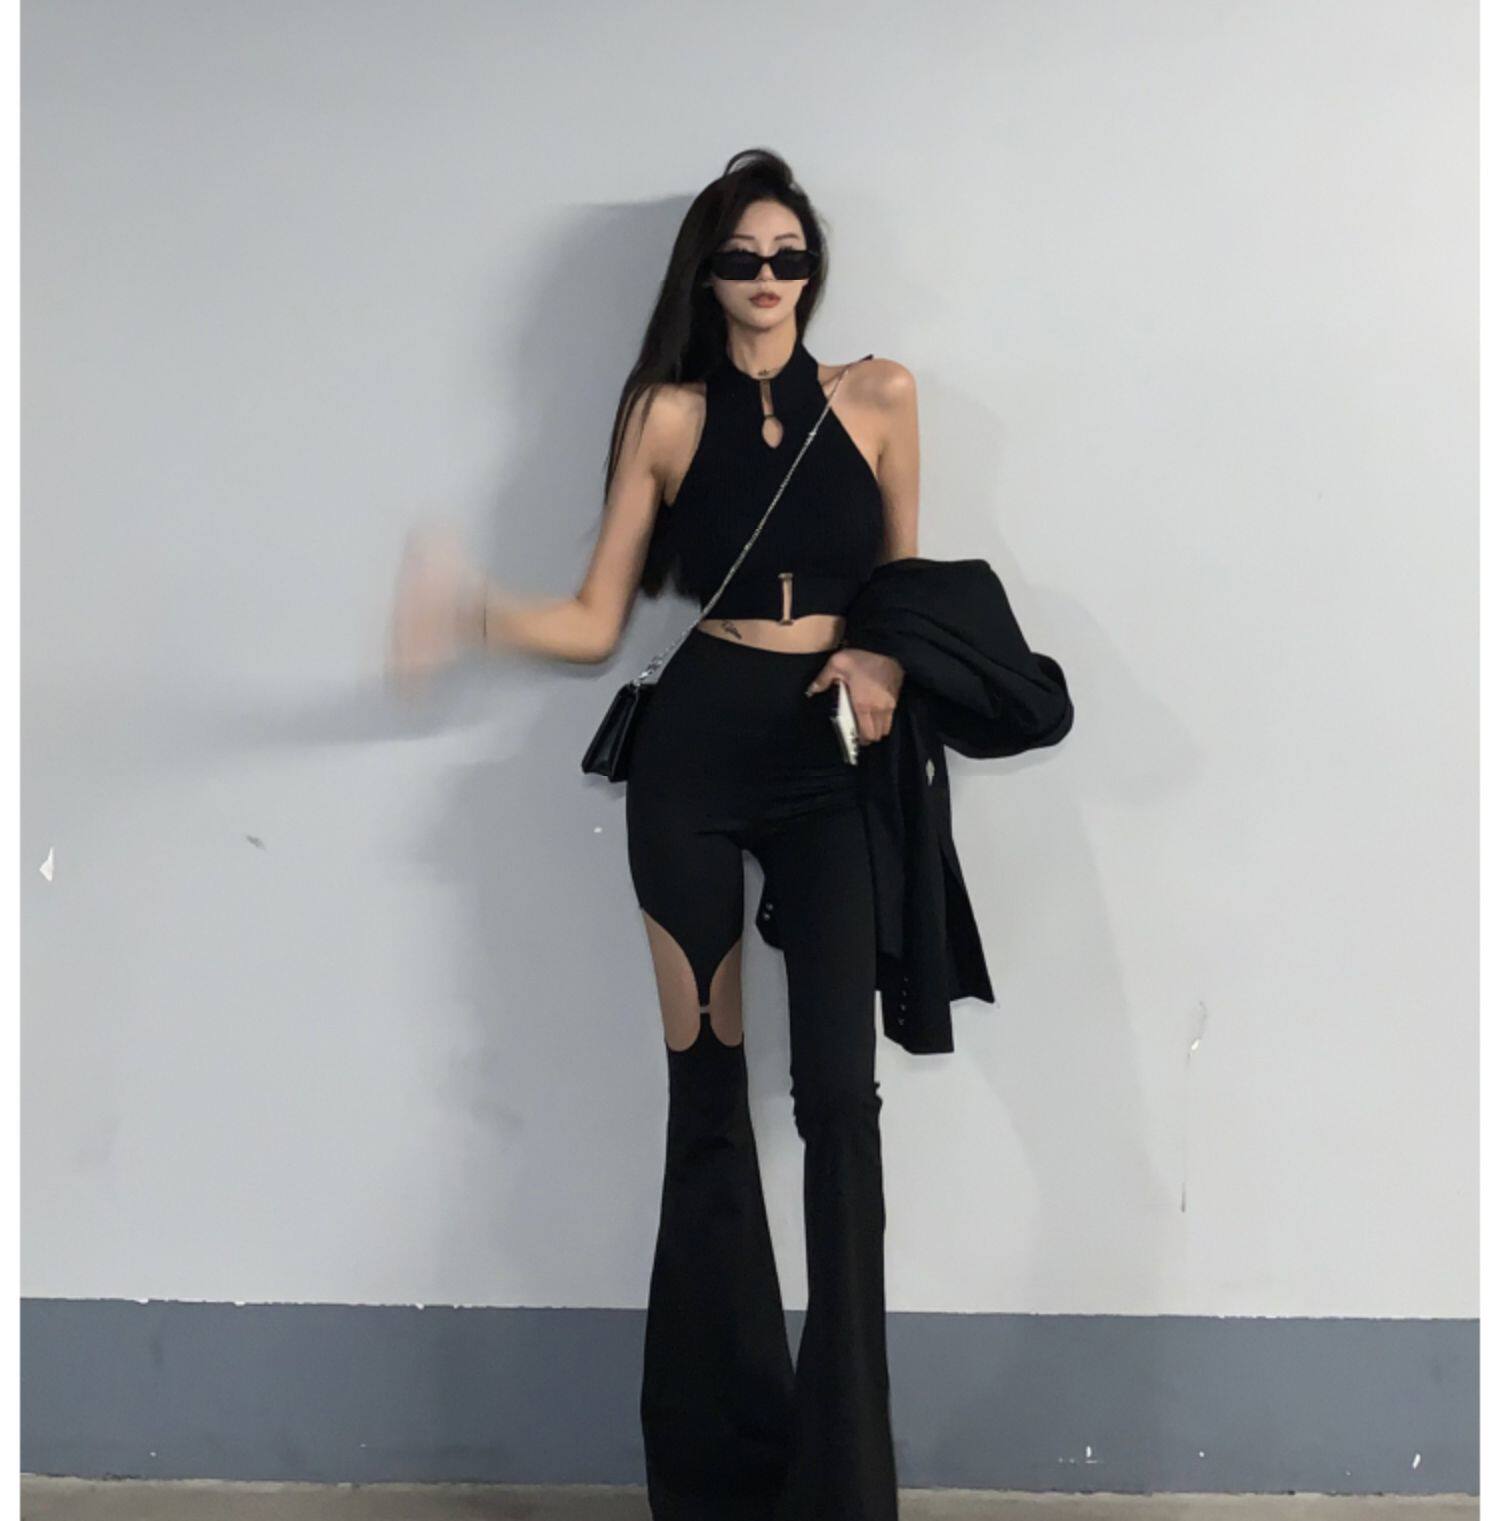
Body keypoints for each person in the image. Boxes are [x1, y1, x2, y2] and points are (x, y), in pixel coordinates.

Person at [388, 149, 924, 1520]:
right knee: (706, 1099)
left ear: (813, 267)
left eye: (788, 255)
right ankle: (716, 1483)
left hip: (828, 764)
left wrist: (879, 658)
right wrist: (467, 608)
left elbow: (907, 594)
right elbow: (593, 620)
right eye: (742, 257)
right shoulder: (667, 415)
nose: (766, 277)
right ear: (708, 273)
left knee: (841, 1107)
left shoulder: (880, 396)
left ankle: (845, 1488)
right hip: (694, 755)